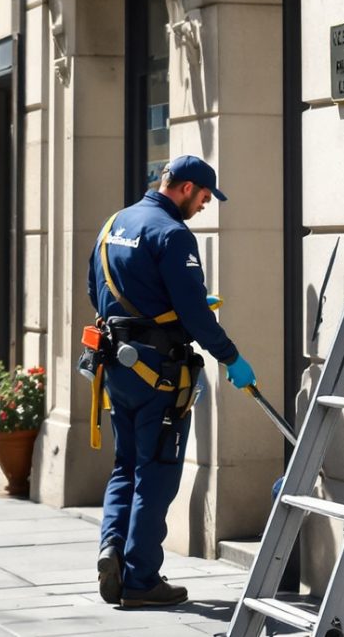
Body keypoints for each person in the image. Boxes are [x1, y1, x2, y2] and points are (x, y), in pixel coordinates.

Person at [86, 155, 255, 609]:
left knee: (126, 464)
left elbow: (94, 290)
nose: (204, 206)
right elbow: (196, 315)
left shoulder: (113, 224)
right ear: (184, 188)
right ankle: (141, 580)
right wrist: (231, 357)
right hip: (158, 371)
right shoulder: (173, 234)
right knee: (157, 471)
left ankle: (111, 549)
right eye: (203, 197)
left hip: (117, 365)